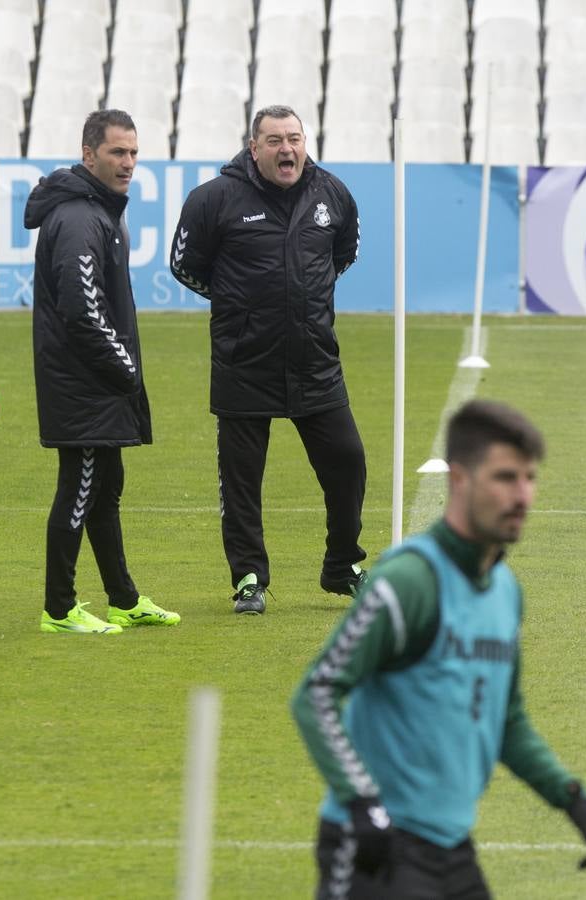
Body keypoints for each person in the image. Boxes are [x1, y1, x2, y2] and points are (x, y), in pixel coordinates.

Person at [290, 399, 586, 899]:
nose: (523, 495)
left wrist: (570, 797)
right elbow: (317, 692)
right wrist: (362, 800)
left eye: (529, 478)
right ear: (459, 480)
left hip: (450, 848)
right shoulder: (409, 581)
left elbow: (507, 721)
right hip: (378, 849)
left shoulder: (506, 591)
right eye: (505, 477)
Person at [168, 105, 366, 617]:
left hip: (315, 361)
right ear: (253, 148)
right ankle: (249, 578)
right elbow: (185, 266)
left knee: (348, 464)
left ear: (306, 142)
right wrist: (242, 306)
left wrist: (303, 298)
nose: (287, 149)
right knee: (241, 481)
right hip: (243, 363)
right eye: (275, 140)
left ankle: (342, 566)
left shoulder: (333, 194)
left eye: (294, 138)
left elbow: (341, 255)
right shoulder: (213, 199)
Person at [26, 109, 179, 634]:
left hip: (95, 382)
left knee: (104, 486)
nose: (128, 163)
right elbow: (82, 310)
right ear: (89, 153)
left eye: (134, 152)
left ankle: (123, 598)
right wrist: (125, 370)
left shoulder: (100, 211)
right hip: (84, 384)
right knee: (82, 484)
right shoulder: (78, 218)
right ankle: (60, 608)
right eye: (118, 152)